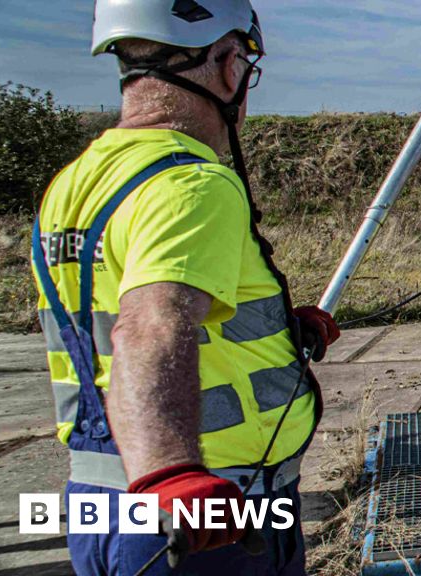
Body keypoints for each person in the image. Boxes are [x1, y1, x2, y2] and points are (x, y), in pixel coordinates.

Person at [31, 1, 340, 574]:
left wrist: (272, 331)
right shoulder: (192, 183)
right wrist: (171, 470)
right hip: (207, 513)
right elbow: (150, 326)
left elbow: (109, 311)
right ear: (229, 65)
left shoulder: (77, 181)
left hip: (105, 498)